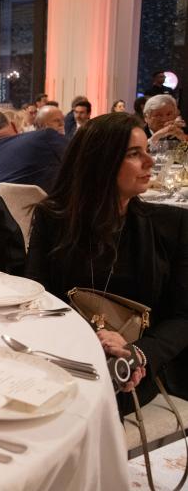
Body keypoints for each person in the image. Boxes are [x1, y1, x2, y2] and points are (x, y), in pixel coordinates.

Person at [25, 112, 187, 416]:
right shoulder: (53, 219)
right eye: (134, 154)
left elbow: (183, 317)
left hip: (137, 361)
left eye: (147, 152)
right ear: (101, 162)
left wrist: (137, 353)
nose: (149, 162)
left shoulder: (173, 225)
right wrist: (89, 338)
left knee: (88, 400)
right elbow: (38, 294)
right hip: (67, 351)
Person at [0, 122, 67, 196]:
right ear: (14, 126)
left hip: (3, 214)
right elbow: (78, 157)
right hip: (59, 211)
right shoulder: (44, 137)